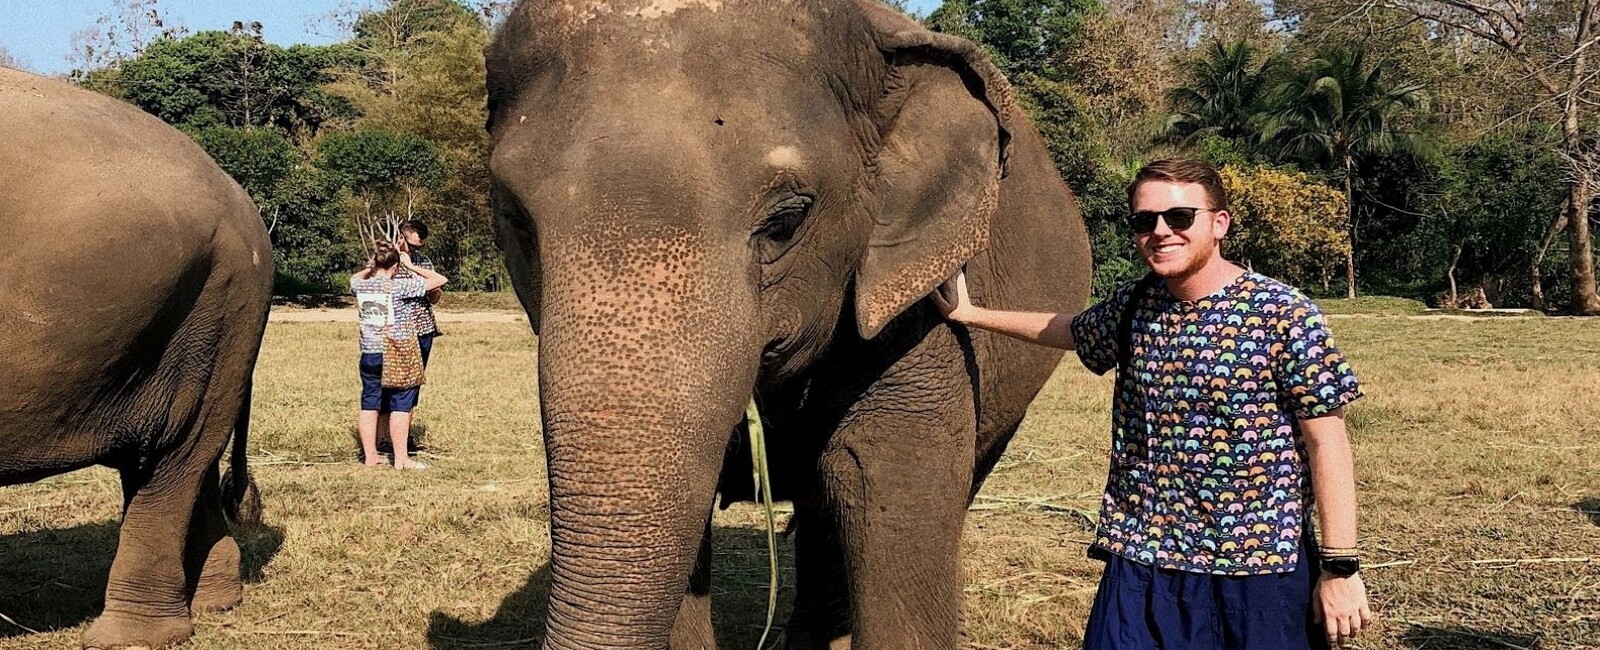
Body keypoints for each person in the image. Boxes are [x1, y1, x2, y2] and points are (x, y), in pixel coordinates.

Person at [933, 158, 1371, 649]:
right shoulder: (1136, 304)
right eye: (1146, 220)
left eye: (1179, 217)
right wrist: (971, 314)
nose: (1161, 231)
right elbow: (1073, 330)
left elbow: (1326, 442)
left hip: (1257, 566)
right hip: (1143, 557)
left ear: (1219, 223)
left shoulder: (1283, 313)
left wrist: (1339, 568)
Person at [351, 240, 448, 470]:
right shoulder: (399, 287)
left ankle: (371, 456)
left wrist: (371, 267)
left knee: (369, 403)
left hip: (370, 352)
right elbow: (439, 280)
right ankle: (401, 459)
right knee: (401, 404)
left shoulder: (360, 285)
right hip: (398, 351)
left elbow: (356, 278)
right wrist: (411, 266)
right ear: (395, 267)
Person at [379, 220, 442, 456]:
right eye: (413, 246)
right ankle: (384, 439)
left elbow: (435, 297)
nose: (416, 251)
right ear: (401, 238)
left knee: (413, 387)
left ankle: (404, 439)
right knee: (390, 386)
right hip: (398, 332)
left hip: (423, 328)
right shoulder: (387, 260)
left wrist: (427, 283)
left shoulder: (423, 262)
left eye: (420, 247)